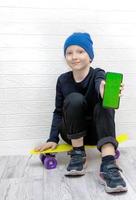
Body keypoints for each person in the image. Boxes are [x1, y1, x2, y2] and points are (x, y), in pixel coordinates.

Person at [34, 32, 127, 193]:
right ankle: (78, 154)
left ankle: (109, 163)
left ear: (90, 57)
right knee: (74, 98)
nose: (74, 56)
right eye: (69, 53)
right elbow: (58, 112)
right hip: (72, 132)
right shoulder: (63, 80)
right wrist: (52, 138)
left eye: (80, 51)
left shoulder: (98, 73)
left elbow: (100, 84)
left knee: (104, 105)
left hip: (96, 132)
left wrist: (104, 90)